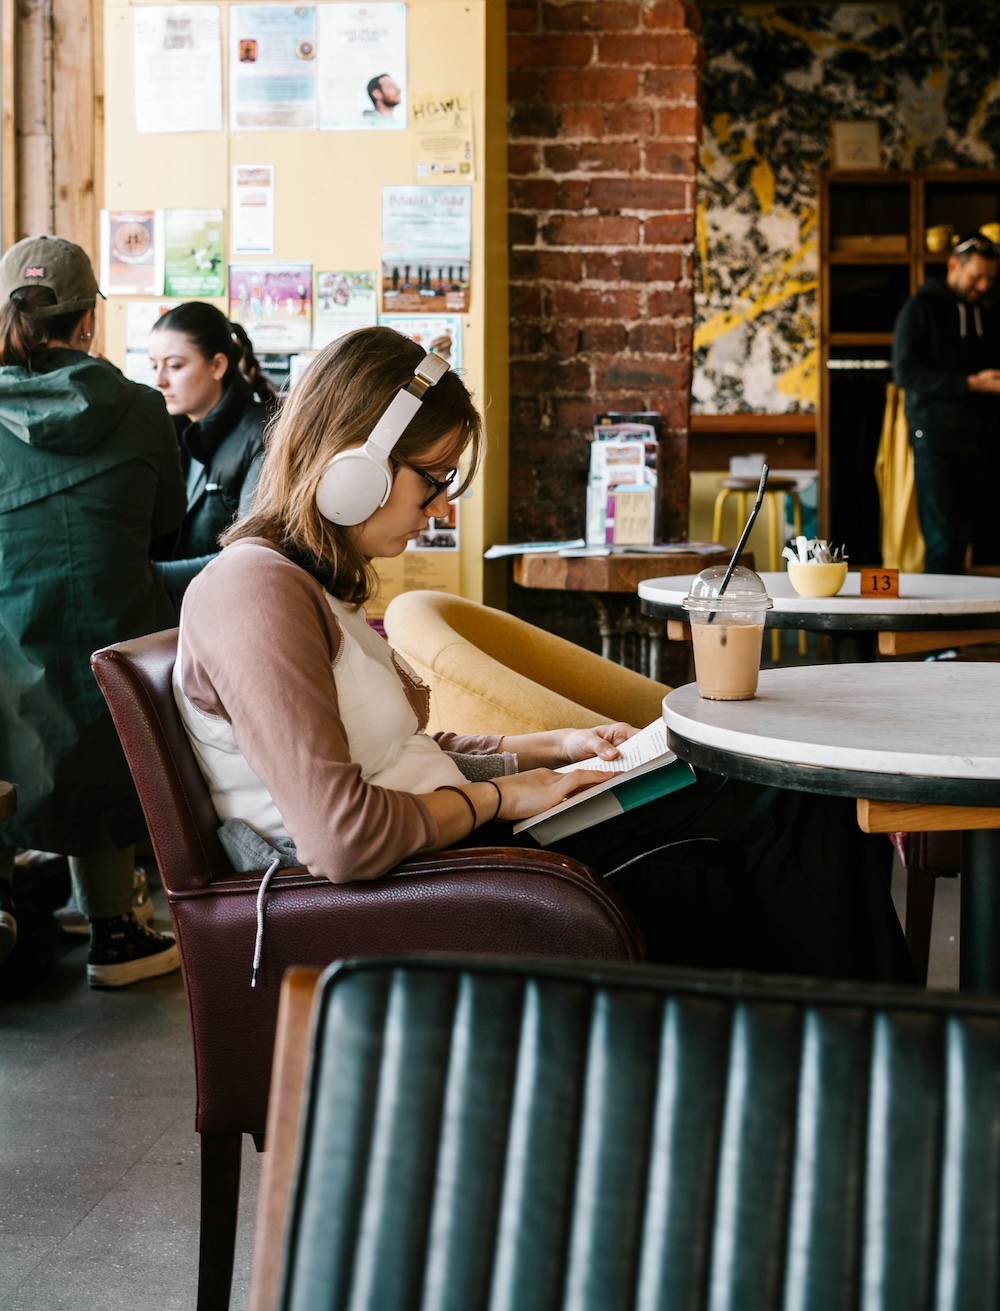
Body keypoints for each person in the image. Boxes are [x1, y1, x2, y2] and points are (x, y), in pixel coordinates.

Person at [173, 326, 915, 984]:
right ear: (351, 470)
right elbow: (344, 838)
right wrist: (503, 796)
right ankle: (884, 1056)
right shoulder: (252, 593)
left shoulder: (300, 584)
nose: (441, 508)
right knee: (791, 807)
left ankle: (858, 1050)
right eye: (433, 480)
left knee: (791, 793)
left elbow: (394, 758)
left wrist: (547, 748)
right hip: (430, 888)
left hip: (455, 853)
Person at [0, 234, 185, 986]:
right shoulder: (141, 409)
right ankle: (115, 928)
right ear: (87, 321)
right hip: (117, 642)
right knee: (102, 719)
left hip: (9, 642)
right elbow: (166, 524)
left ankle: (9, 910)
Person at [148, 302, 276, 607]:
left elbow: (250, 557)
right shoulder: (172, 431)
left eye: (175, 366)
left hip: (230, 613)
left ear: (217, 366)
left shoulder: (264, 436)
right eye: (154, 366)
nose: (159, 380)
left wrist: (150, 576)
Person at [893, 231, 1000, 574]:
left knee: (979, 540)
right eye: (977, 276)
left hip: (982, 436)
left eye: (990, 278)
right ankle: (944, 611)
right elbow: (905, 373)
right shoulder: (920, 308)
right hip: (935, 435)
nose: (984, 285)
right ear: (954, 265)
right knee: (943, 543)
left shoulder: (988, 309)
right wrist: (970, 383)